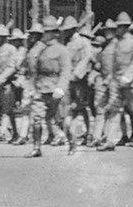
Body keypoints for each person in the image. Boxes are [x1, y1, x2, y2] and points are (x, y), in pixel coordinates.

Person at [98, 12, 133, 151]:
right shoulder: (116, 43)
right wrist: (110, 78)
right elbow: (114, 63)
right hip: (117, 82)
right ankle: (110, 141)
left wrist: (128, 76)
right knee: (114, 111)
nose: (117, 29)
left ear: (125, 27)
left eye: (119, 27)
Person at [27, 15, 72, 158]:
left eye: (46, 32)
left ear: (54, 33)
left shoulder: (62, 50)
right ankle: (36, 147)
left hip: (55, 85)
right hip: (41, 86)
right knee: (36, 118)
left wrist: (61, 88)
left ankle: (72, 143)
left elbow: (66, 70)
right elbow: (32, 65)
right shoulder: (39, 49)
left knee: (60, 119)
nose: (43, 35)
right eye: (43, 32)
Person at [60, 14, 93, 153]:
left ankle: (89, 132)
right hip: (67, 79)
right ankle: (72, 139)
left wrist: (78, 74)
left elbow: (86, 58)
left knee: (82, 107)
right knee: (68, 109)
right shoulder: (65, 43)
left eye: (69, 29)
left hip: (79, 79)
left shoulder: (83, 42)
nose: (66, 31)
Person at [13, 23, 46, 145]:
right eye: (31, 34)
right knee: (26, 109)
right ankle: (23, 135)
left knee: (43, 112)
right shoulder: (30, 50)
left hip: (41, 82)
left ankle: (57, 134)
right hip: (29, 82)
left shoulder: (44, 48)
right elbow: (24, 66)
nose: (31, 37)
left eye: (34, 34)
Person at [90, 19, 118, 148]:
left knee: (113, 110)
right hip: (102, 79)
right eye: (106, 30)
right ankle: (97, 137)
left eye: (110, 30)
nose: (108, 32)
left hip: (114, 80)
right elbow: (100, 64)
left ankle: (110, 140)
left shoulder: (118, 46)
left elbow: (120, 65)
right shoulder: (104, 47)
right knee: (100, 109)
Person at [5, 28, 28, 143]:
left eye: (17, 40)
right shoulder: (10, 51)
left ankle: (25, 134)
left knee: (25, 108)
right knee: (10, 108)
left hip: (22, 80)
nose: (15, 42)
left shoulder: (25, 51)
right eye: (13, 40)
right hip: (11, 80)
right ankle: (15, 132)